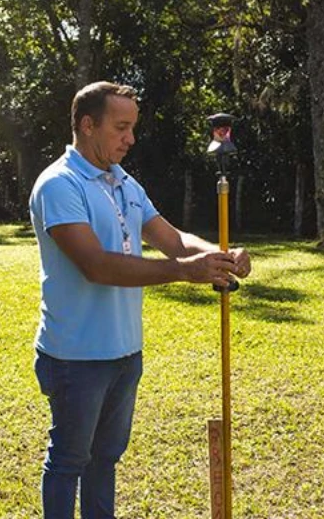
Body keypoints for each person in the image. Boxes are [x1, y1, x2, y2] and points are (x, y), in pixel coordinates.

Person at [29, 81, 251, 519]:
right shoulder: (59, 184)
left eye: (132, 128)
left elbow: (172, 238)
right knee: (69, 461)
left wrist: (218, 256)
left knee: (105, 458)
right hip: (76, 357)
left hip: (125, 352)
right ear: (88, 125)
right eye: (121, 127)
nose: (130, 139)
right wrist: (183, 272)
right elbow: (96, 265)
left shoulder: (124, 181)